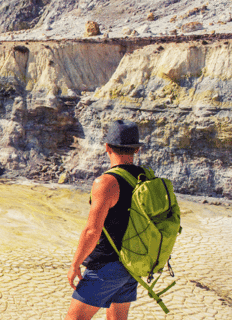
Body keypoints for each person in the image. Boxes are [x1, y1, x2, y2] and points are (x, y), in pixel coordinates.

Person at [66, 120, 145, 320]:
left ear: (107, 147)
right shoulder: (145, 178)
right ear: (136, 149)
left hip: (106, 266)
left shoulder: (106, 182)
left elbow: (92, 231)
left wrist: (75, 264)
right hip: (132, 263)